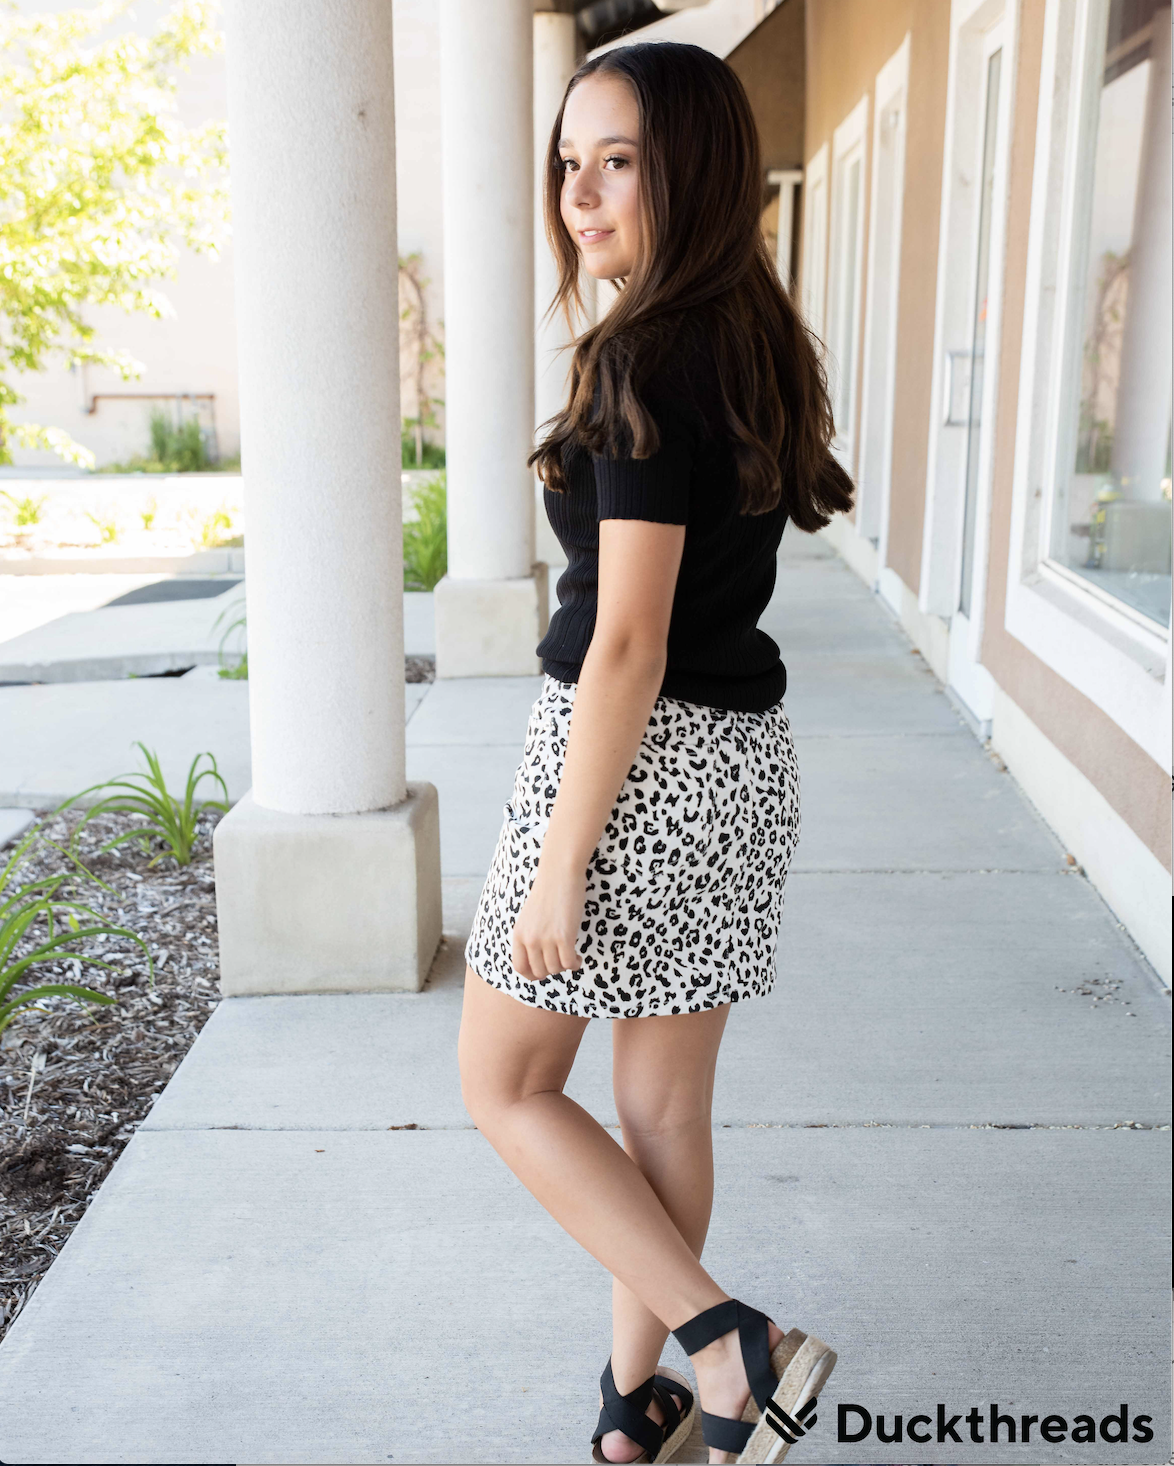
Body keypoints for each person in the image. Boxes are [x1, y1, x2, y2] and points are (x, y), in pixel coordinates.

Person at [459, 40, 854, 1466]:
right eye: (567, 161)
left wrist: (561, 864)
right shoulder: (750, 332)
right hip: (736, 764)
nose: (578, 191)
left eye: (614, 159)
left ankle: (723, 1344)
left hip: (632, 770)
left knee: (502, 1082)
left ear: (686, 169)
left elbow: (623, 638)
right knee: (659, 1106)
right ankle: (643, 1412)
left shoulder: (637, 352)